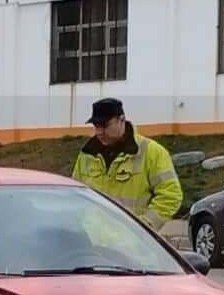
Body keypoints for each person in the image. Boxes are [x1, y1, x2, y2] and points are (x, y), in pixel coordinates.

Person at [73, 98, 182, 231]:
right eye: (96, 126)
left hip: (131, 247)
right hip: (91, 244)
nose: (99, 132)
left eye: (105, 125)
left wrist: (146, 226)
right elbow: (75, 196)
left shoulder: (151, 152)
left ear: (122, 120)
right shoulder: (87, 154)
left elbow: (171, 195)